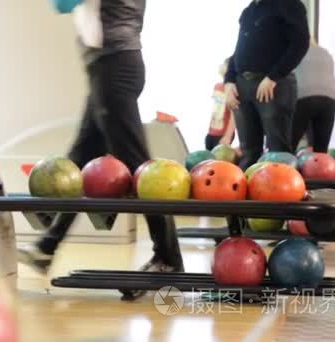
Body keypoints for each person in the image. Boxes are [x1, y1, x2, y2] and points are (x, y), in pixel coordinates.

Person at [18, 0, 184, 288]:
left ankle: (168, 257)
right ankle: (47, 247)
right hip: (108, 67)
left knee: (140, 168)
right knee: (79, 162)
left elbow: (63, 3)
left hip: (113, 67)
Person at [224, 0, 310, 170]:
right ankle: (247, 195)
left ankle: (281, 195)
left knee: (278, 151)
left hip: (273, 85)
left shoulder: (290, 5)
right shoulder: (249, 10)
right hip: (242, 85)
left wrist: (273, 77)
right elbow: (239, 50)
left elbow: (300, 44)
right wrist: (229, 80)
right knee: (248, 151)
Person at [291, 37, 335, 153]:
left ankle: (287, 170)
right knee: (321, 150)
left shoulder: (293, 52)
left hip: (303, 96)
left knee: (289, 145)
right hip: (330, 98)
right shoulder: (325, 52)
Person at [205, 58, 236, 151]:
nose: (221, 66)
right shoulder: (217, 86)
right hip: (212, 131)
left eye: (225, 64)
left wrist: (227, 136)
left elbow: (234, 115)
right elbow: (215, 109)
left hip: (223, 133)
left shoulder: (232, 90)